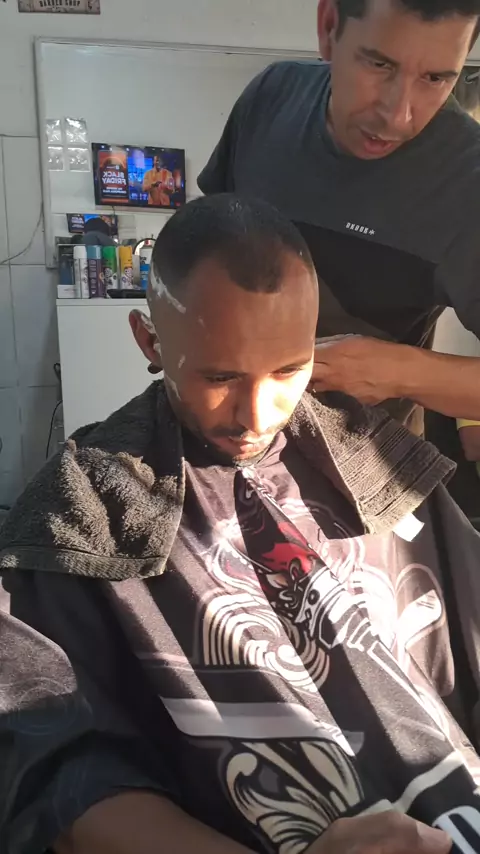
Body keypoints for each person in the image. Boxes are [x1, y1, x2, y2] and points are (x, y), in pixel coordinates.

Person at [3, 195, 480, 854]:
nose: (256, 414)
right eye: (221, 376)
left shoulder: (371, 457)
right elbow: (55, 775)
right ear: (149, 340)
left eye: (288, 370)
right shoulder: (82, 504)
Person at [198, 0, 480, 434]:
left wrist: (401, 372)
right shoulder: (272, 96)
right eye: (379, 64)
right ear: (329, 26)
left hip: (364, 453)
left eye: (435, 78)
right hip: (224, 429)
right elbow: (208, 239)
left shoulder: (468, 180)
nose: (397, 116)